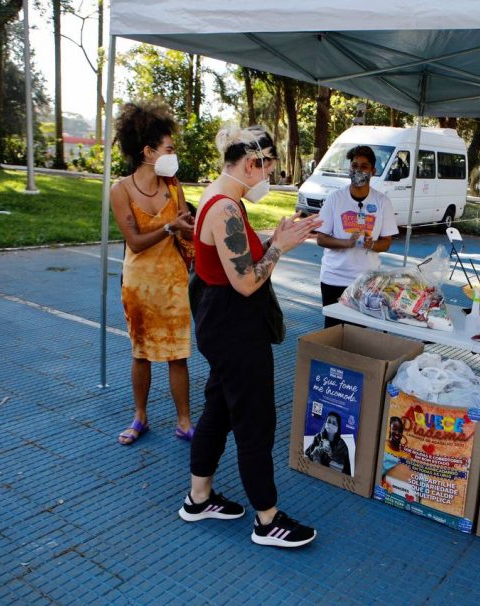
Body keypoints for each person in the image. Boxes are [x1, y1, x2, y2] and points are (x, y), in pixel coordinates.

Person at [177, 124, 322, 548]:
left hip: (221, 321)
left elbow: (229, 255)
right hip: (233, 325)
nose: (269, 180)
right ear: (250, 164)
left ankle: (198, 498)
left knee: (220, 409)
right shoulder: (224, 208)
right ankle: (267, 519)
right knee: (254, 420)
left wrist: (271, 239)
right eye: (268, 171)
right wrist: (280, 249)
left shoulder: (217, 197)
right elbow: (245, 282)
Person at [109, 101, 195, 445]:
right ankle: (140, 417)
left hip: (173, 281)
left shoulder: (173, 186)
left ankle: (185, 421)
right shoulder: (121, 190)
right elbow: (135, 241)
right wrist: (171, 228)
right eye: (168, 149)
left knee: (178, 354)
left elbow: (186, 229)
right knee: (141, 352)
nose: (173, 155)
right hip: (139, 284)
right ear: (148, 151)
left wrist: (191, 228)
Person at [315, 145, 399, 327]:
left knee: (361, 333)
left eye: (364, 166)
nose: (358, 170)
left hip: (367, 282)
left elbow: (386, 243)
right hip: (334, 278)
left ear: (373, 171)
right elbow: (321, 238)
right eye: (354, 166)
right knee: (334, 331)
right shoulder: (335, 198)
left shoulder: (382, 202)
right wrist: (346, 243)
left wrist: (372, 244)